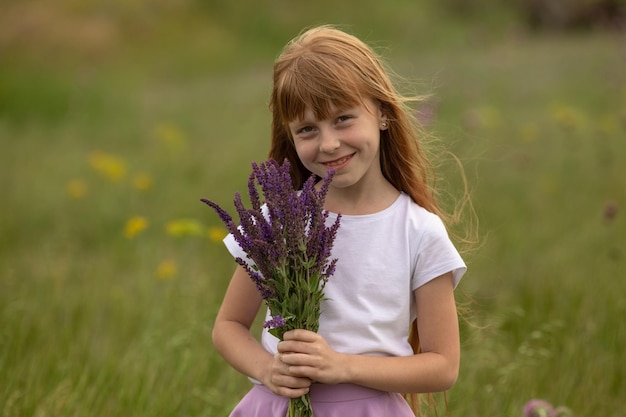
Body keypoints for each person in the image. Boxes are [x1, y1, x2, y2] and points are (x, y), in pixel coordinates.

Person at [212, 24, 468, 417]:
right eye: (308, 129)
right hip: (277, 405)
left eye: (344, 119)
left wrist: (342, 366)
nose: (329, 143)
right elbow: (228, 325)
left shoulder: (419, 231)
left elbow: (443, 365)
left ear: (382, 114)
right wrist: (268, 370)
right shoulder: (279, 222)